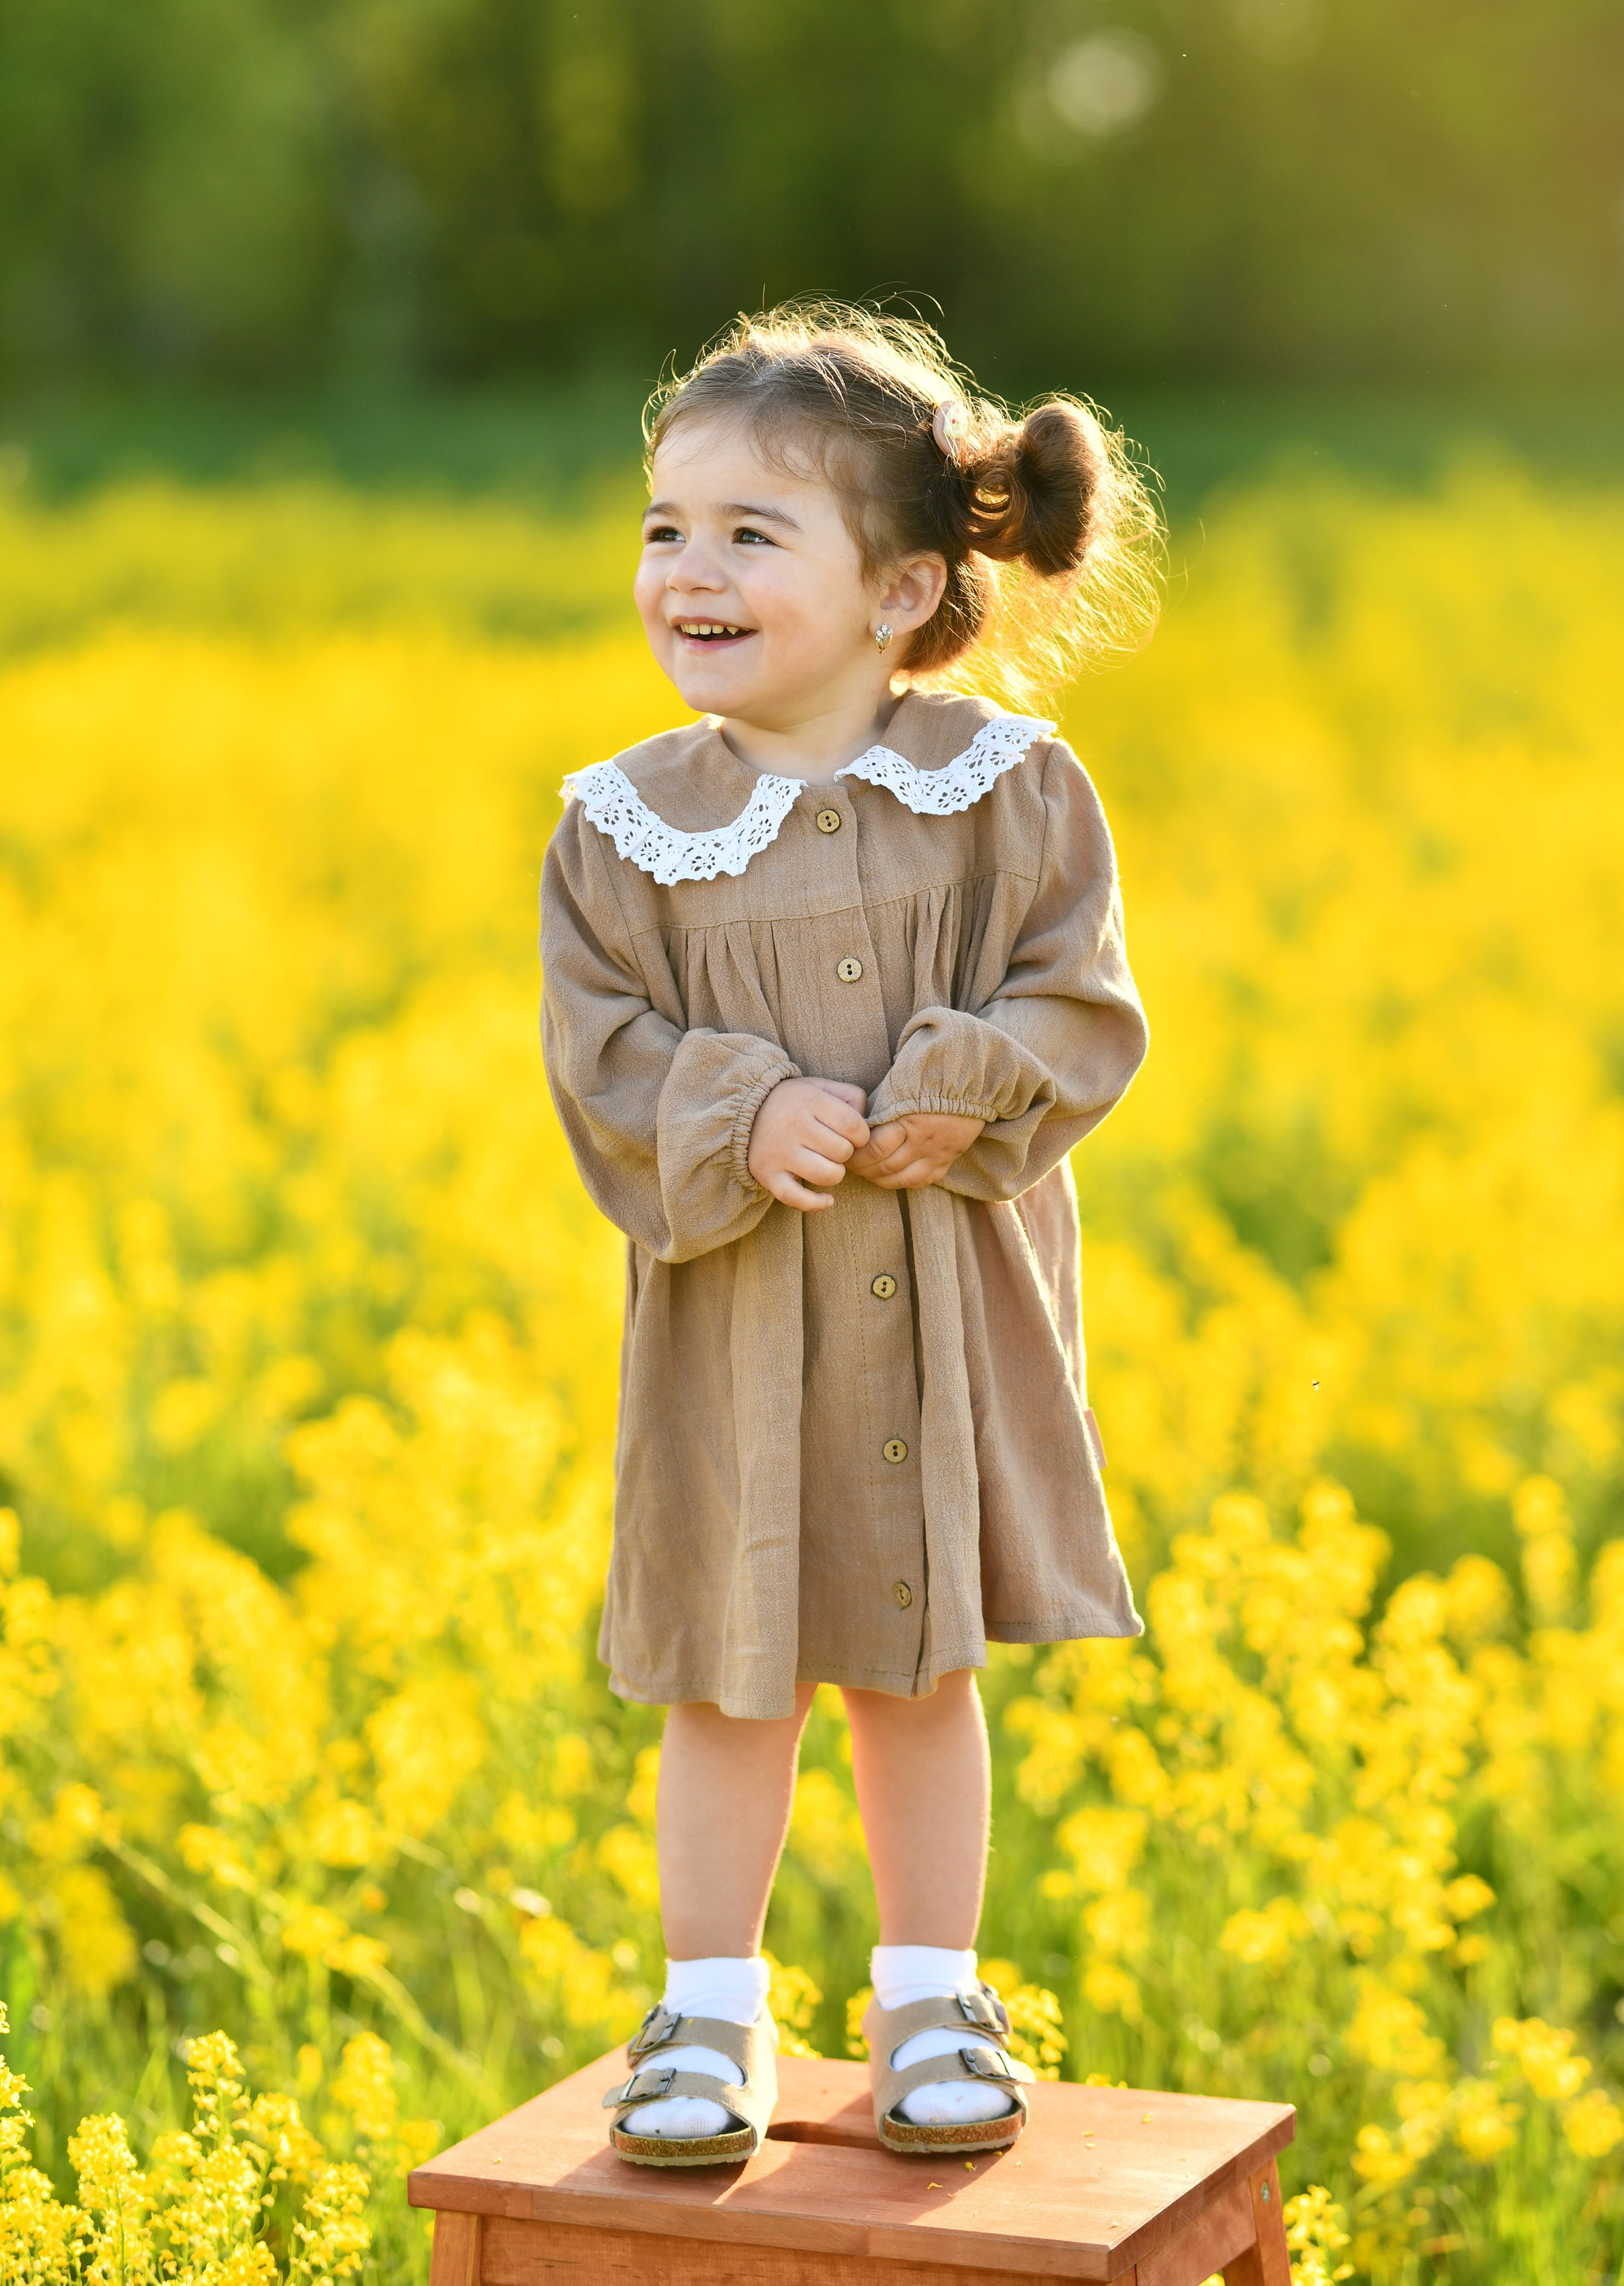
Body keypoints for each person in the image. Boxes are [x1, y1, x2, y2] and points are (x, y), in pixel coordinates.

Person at [539, 305, 1160, 2168]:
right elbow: (602, 1056)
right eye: (666, 526)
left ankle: (929, 1991)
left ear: (900, 593)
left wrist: (967, 1080)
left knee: (916, 1666)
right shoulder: (624, 829)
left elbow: (1085, 1008)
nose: (689, 570)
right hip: (736, 1315)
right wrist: (744, 1107)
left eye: (749, 533)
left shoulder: (1010, 793)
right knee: (731, 1670)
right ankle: (706, 2010)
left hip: (939, 1321)